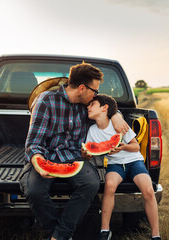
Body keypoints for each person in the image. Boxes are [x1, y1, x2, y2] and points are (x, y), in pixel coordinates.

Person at [20, 62, 129, 240]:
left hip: (75, 157)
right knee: (33, 191)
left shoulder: (89, 105)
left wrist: (116, 115)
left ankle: (59, 236)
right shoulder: (46, 101)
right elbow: (33, 142)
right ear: (81, 88)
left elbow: (107, 107)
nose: (96, 95)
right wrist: (39, 163)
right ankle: (60, 232)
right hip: (47, 155)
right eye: (94, 90)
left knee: (90, 184)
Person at [84, 95, 161, 240]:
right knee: (110, 185)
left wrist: (123, 147)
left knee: (149, 190)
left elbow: (136, 146)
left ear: (104, 108)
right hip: (115, 165)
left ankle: (155, 234)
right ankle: (105, 230)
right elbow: (90, 152)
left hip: (134, 162)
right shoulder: (92, 130)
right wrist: (86, 153)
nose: (88, 107)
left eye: (92, 104)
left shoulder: (119, 125)